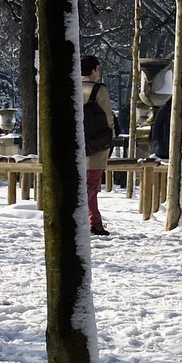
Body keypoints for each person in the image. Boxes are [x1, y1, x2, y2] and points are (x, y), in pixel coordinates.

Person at [81, 53, 115, 238]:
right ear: (93, 70)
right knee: (91, 185)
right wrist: (111, 139)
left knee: (87, 185)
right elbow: (108, 118)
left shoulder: (70, 87)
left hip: (76, 144)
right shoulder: (99, 90)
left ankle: (95, 222)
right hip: (96, 145)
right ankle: (81, 220)